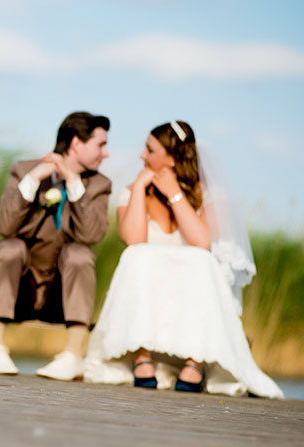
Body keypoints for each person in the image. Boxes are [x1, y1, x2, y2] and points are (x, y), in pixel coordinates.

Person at [82, 120, 283, 398]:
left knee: (201, 260)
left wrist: (173, 192)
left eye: (150, 150)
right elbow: (134, 238)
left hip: (188, 298)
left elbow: (201, 241)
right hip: (151, 292)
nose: (142, 155)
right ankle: (141, 356)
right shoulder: (132, 190)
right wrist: (140, 187)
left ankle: (195, 362)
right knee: (136, 256)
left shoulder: (209, 193)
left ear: (173, 157)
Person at [0, 111, 112, 379]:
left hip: (61, 296)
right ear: (76, 143)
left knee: (79, 253)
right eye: (100, 145)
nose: (106, 153)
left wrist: (74, 183)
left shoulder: (99, 185)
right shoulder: (22, 170)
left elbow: (90, 235)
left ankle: (73, 355)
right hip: (21, 291)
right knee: (9, 247)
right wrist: (33, 179)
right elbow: (4, 227)